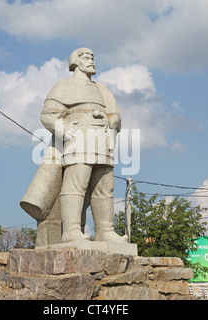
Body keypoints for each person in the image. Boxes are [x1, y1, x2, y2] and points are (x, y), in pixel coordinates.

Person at [40, 48, 127, 243]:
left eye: (92, 57)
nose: (91, 61)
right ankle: (71, 231)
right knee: (76, 184)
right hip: (78, 138)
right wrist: (62, 129)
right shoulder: (63, 86)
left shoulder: (102, 89)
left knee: (105, 187)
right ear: (75, 62)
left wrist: (110, 122)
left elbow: (115, 116)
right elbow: (47, 115)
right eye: (86, 57)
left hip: (103, 139)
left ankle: (105, 231)